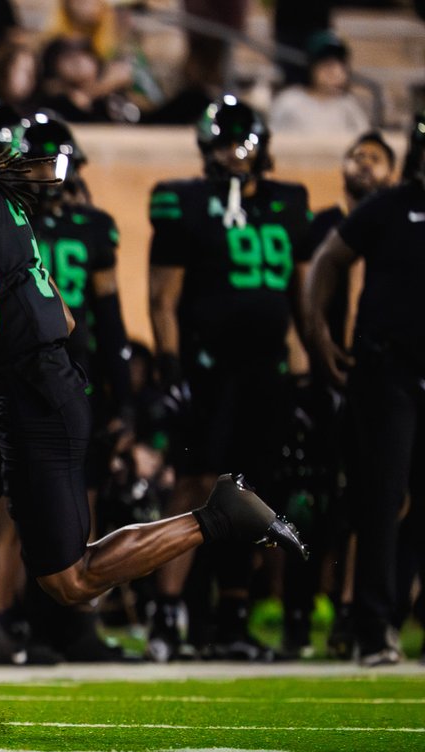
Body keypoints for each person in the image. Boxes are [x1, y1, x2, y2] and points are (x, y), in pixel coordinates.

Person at [0, 80, 305, 743]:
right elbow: (58, 311)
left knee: (71, 580)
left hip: (29, 393)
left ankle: (218, 515)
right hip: (18, 385)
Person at [146, 96, 314, 663]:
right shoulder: (185, 199)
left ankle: (233, 618)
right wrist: (170, 365)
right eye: (223, 142)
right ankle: (167, 616)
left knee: (255, 493)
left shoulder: (290, 201)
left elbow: (300, 297)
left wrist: (308, 367)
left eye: (242, 141)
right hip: (208, 368)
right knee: (194, 487)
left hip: (267, 370)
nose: (233, 153)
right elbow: (162, 296)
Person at [301, 112, 425, 667]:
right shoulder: (389, 206)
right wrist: (319, 333)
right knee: (382, 499)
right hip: (387, 369)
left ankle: (395, 616)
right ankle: (373, 626)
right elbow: (327, 262)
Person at [14, 109, 134, 662]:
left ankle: (71, 621)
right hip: (19, 369)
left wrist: (123, 394)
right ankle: (25, 618)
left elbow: (108, 315)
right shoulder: (9, 220)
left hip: (75, 373)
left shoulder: (92, 226)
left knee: (77, 502)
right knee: (22, 502)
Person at [268, 31, 370, 135]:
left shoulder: (349, 106)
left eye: (339, 65)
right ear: (311, 68)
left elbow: (365, 143)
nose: (334, 72)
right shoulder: (289, 102)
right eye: (327, 65)